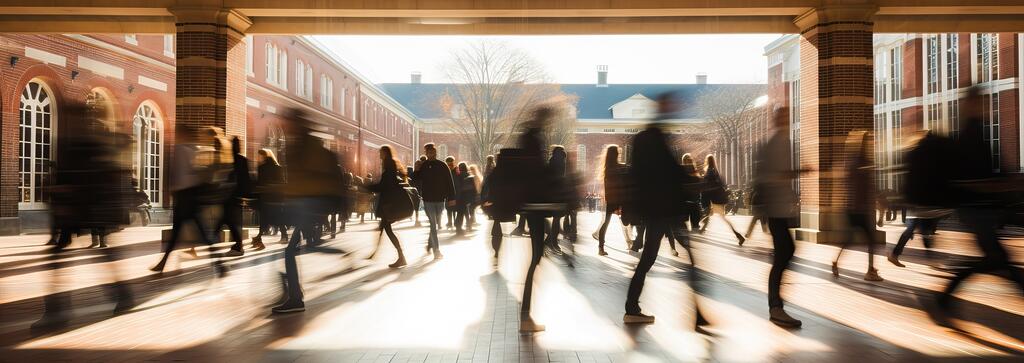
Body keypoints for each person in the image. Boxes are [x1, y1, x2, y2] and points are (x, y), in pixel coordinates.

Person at [622, 92, 707, 331]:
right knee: (683, 257)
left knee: (649, 258)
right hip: (665, 208)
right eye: (671, 105)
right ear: (662, 107)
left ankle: (632, 307)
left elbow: (639, 175)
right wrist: (692, 179)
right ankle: (697, 313)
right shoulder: (656, 138)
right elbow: (668, 172)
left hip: (656, 209)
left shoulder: (645, 138)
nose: (674, 108)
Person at [938, 87, 1024, 312]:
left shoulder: (975, 131)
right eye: (980, 102)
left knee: (995, 258)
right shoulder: (970, 135)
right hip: (975, 208)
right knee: (998, 258)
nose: (986, 106)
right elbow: (969, 175)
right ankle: (946, 295)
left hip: (978, 208)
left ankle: (946, 295)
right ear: (971, 105)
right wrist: (1000, 183)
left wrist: (1004, 179)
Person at [274, 109, 342, 314]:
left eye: (287, 122)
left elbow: (313, 179)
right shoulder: (300, 144)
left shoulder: (307, 147)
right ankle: (294, 291)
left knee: (293, 250)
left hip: (310, 204)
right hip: (305, 203)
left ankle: (295, 298)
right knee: (306, 247)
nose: (284, 127)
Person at [755, 105, 809, 328]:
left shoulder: (779, 141)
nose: (786, 120)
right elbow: (775, 175)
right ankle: (775, 306)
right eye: (783, 116)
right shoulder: (779, 143)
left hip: (777, 207)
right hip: (775, 207)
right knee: (784, 253)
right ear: (777, 120)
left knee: (784, 252)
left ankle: (776, 304)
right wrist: (799, 172)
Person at [151, 127, 223, 274]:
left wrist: (174, 190)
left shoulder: (182, 150)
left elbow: (181, 175)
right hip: (189, 196)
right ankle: (219, 264)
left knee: (188, 233)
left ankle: (219, 264)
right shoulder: (192, 150)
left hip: (185, 197)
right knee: (191, 233)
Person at [831, 131, 884, 282]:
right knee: (870, 241)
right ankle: (870, 271)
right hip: (860, 209)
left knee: (849, 240)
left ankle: (837, 261)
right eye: (868, 141)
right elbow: (869, 187)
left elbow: (846, 184)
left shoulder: (852, 162)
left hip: (852, 208)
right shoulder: (864, 162)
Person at [366, 145, 410, 267]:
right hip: (388, 204)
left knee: (387, 230)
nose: (379, 154)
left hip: (389, 204)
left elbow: (384, 186)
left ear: (385, 153)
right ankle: (375, 253)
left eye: (381, 152)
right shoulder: (390, 166)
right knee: (383, 228)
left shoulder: (388, 167)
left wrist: (367, 187)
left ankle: (401, 257)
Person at [412, 143, 456, 260]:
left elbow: (449, 181)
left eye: (432, 152)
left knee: (435, 224)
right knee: (433, 224)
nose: (430, 154)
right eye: (428, 152)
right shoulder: (424, 166)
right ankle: (437, 250)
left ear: (435, 153)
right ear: (426, 153)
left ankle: (430, 244)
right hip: (428, 200)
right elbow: (416, 180)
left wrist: (452, 198)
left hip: (440, 199)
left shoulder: (442, 165)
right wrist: (416, 170)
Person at [699, 154, 746, 245]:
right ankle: (702, 228)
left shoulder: (709, 172)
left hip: (715, 200)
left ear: (707, 161)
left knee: (719, 217)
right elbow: (723, 185)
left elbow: (707, 188)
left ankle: (738, 235)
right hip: (720, 199)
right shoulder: (716, 172)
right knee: (714, 216)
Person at [220, 137, 252, 257]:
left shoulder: (232, 159)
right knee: (234, 220)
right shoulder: (242, 159)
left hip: (232, 195)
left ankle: (239, 246)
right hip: (237, 195)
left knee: (231, 220)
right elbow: (247, 179)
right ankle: (238, 245)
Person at [593, 145, 626, 256]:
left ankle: (600, 248)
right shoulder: (618, 168)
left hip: (611, 199)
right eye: (617, 152)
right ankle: (635, 242)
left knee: (606, 223)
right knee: (623, 221)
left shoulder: (608, 168)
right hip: (617, 199)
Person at [251, 149, 286, 250]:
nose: (259, 158)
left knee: (266, 218)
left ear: (264, 156)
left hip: (266, 197)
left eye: (260, 156)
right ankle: (282, 236)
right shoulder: (278, 167)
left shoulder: (262, 168)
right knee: (277, 217)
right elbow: (282, 183)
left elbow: (259, 182)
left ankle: (259, 238)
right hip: (276, 198)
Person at [453, 162, 474, 235]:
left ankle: (458, 226)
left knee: (460, 212)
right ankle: (461, 227)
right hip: (466, 197)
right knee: (464, 212)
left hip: (459, 196)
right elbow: (472, 187)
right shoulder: (468, 175)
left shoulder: (457, 175)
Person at [445, 156, 458, 229]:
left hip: (455, 191)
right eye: (448, 165)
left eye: (451, 165)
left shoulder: (456, 170)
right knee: (448, 208)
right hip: (448, 192)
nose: (449, 166)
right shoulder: (445, 171)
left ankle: (455, 221)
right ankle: (450, 221)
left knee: (455, 207)